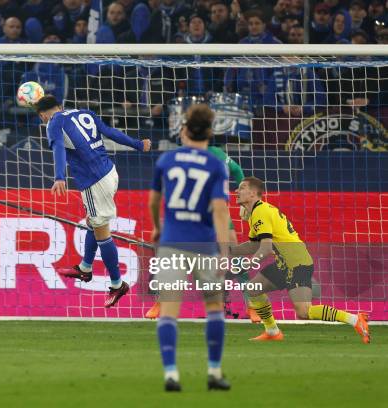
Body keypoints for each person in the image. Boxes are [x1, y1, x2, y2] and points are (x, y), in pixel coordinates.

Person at [34, 95, 151, 308]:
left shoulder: (53, 122)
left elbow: (58, 147)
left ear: (43, 114)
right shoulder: (85, 112)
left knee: (101, 232)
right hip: (110, 172)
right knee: (92, 222)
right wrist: (137, 144)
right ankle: (85, 268)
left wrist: (60, 176)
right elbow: (110, 132)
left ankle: (117, 284)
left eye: (41, 117)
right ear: (60, 105)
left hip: (94, 181)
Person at [149, 104, 231, 392]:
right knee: (214, 307)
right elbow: (220, 211)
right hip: (204, 244)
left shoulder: (167, 160)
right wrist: (224, 251)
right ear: (210, 133)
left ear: (183, 130)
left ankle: (171, 374)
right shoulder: (215, 165)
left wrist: (157, 227)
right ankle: (214, 371)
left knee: (169, 310)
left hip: (172, 243)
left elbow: (153, 201)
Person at [231, 177, 370, 343]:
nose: (236, 191)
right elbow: (255, 245)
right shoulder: (257, 213)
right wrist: (230, 250)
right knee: (253, 289)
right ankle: (272, 331)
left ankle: (355, 320)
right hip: (285, 264)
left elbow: (266, 248)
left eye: (242, 188)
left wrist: (249, 263)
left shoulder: (261, 211)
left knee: (304, 312)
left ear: (253, 193)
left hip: (297, 263)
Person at [145, 144, 261, 324]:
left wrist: (243, 198)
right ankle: (161, 303)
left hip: (215, 209)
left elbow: (237, 171)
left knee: (233, 249)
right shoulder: (186, 157)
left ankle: (252, 305)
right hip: (195, 212)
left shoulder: (215, 153)